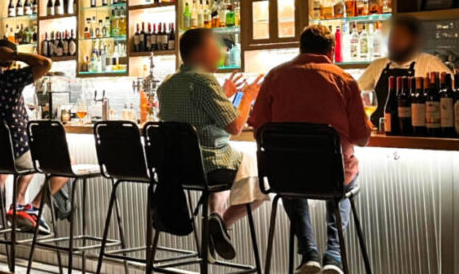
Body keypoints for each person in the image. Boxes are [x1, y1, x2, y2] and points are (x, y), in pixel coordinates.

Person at [248, 25, 374, 274]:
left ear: (300, 48)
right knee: (344, 176)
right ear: (332, 51)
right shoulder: (344, 79)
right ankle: (334, 257)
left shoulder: (274, 76)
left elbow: (259, 130)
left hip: (285, 176)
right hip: (332, 175)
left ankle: (308, 254)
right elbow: (362, 138)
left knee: (291, 177)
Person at [156, 28, 266, 261]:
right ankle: (221, 221)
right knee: (260, 176)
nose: (221, 52)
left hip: (175, 169)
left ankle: (215, 217)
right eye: (215, 47)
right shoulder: (205, 81)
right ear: (198, 53)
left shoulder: (166, 84)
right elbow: (235, 127)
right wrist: (248, 96)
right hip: (209, 166)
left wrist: (224, 95)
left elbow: (198, 119)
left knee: (228, 164)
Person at [0, 40, 65, 234]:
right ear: (8, 61)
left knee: (27, 158)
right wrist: (15, 55)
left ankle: (19, 204)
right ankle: (30, 207)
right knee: (62, 163)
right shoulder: (10, 80)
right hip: (13, 154)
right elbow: (45, 63)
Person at [358, 15, 450, 124]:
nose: (394, 42)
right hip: (381, 136)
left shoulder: (428, 63)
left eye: (399, 37)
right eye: (391, 37)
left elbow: (451, 97)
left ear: (414, 40)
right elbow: (354, 93)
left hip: (416, 136)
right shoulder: (378, 65)